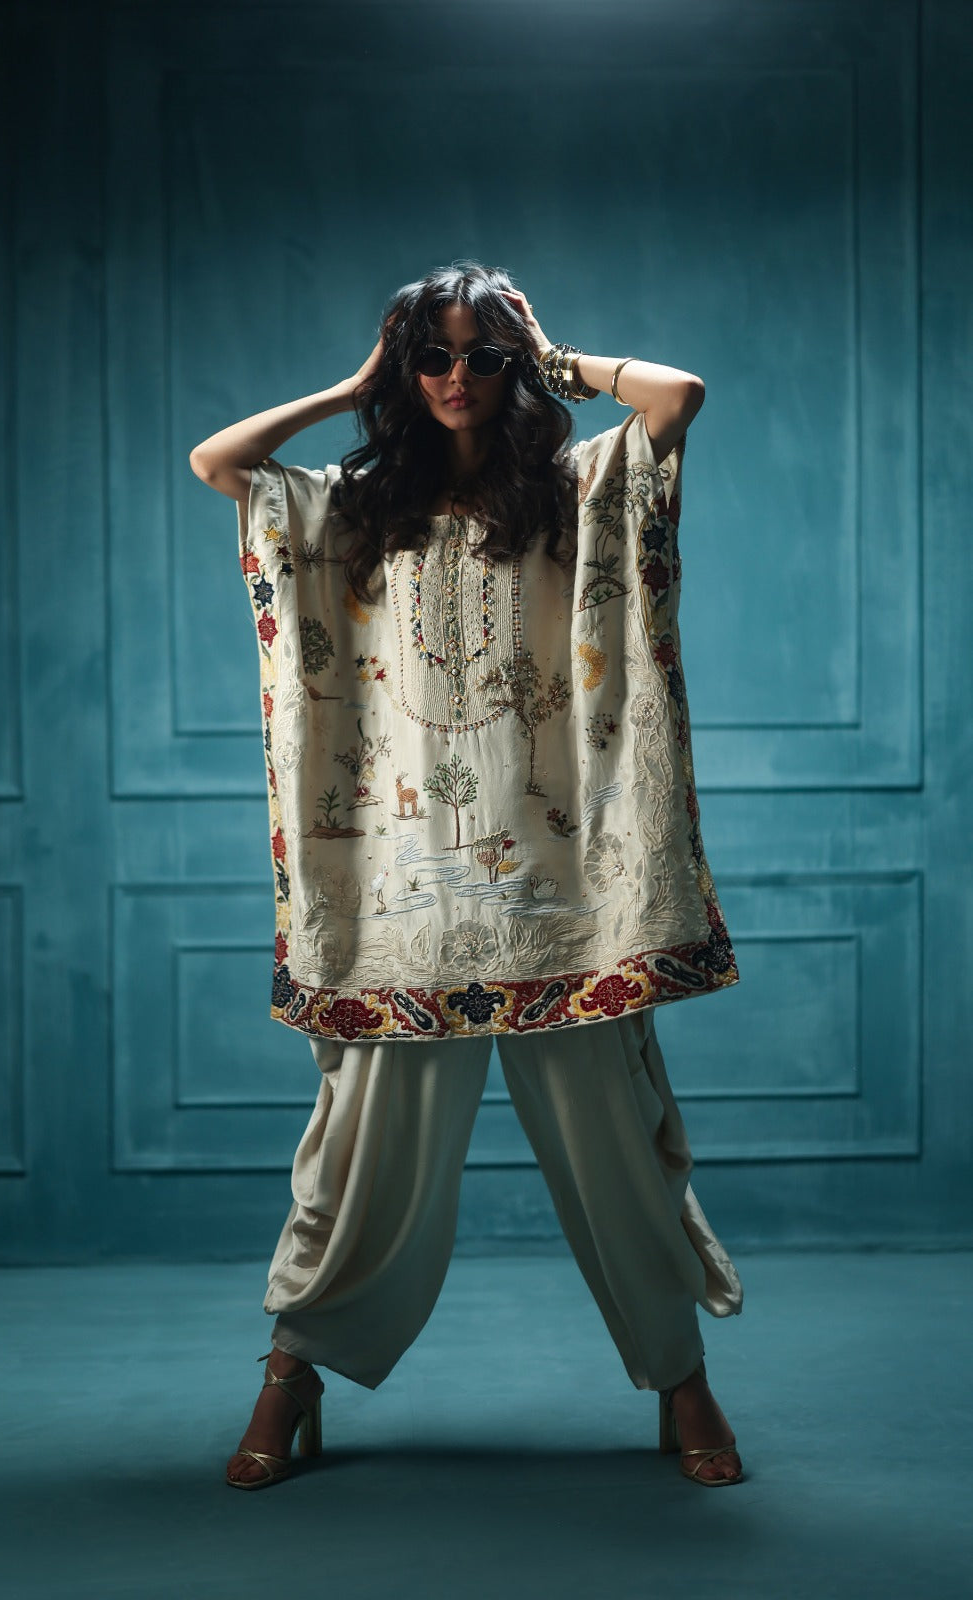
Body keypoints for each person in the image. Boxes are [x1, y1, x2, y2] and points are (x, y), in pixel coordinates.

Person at [189, 262, 745, 1491]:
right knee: (358, 1156)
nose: (455, 378)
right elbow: (219, 463)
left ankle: (680, 1377)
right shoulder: (350, 510)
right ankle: (292, 1372)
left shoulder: (577, 490)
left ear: (512, 368)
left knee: (613, 1139)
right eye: (431, 357)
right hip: (402, 896)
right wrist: (356, 385)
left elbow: (675, 397)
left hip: (563, 887)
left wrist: (557, 358)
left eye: (480, 357)